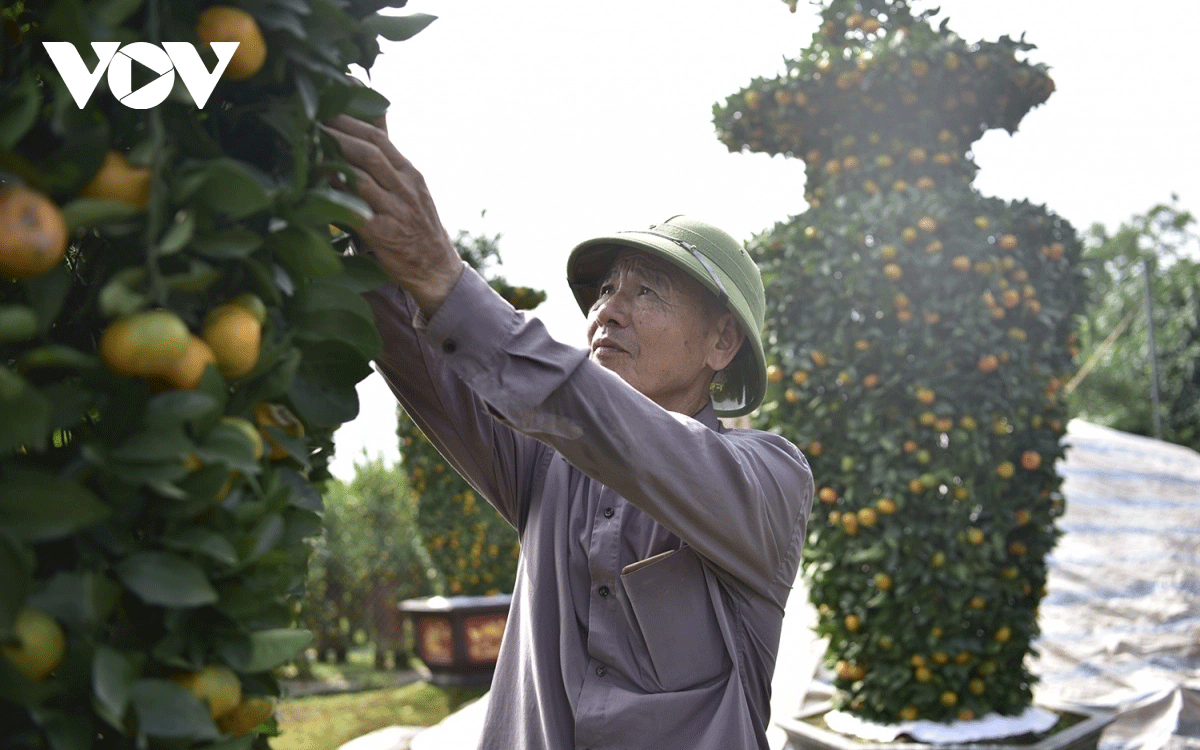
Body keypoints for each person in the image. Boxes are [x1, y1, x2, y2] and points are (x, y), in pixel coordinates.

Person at [325, 113, 813, 750]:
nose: (607, 309)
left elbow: (612, 428)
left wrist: (444, 272)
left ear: (722, 340)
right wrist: (354, 221)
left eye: (648, 292)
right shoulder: (548, 465)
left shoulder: (768, 480)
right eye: (606, 290)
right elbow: (428, 361)